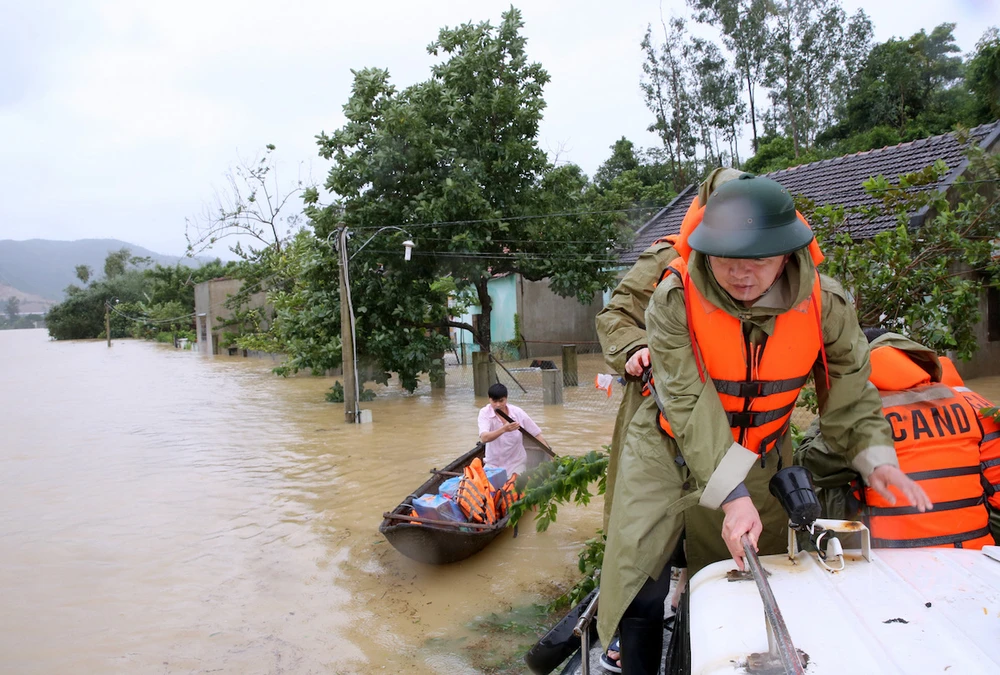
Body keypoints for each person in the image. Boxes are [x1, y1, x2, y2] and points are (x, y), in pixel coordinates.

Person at [597, 174, 932, 675]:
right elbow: (687, 404)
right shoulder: (673, 294)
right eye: (728, 259)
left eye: (759, 260)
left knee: (745, 571)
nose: (742, 274)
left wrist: (875, 457)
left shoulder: (825, 302)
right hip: (665, 444)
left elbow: (849, 389)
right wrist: (730, 496)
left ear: (788, 252)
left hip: (757, 447)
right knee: (636, 581)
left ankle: (709, 657)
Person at [595, 167, 741, 674]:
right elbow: (614, 316)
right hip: (657, 427)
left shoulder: (771, 266)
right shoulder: (665, 259)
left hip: (734, 434)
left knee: (720, 566)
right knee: (642, 579)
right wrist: (635, 349)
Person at [796, 328, 1000, 547]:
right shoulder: (972, 403)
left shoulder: (864, 417)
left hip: (895, 560)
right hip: (973, 553)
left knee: (816, 483)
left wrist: (835, 409)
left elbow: (808, 463)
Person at [477, 383, 548, 476]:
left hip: (516, 464)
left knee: (514, 488)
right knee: (484, 488)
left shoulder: (517, 412)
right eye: (494, 401)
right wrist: (504, 429)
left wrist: (551, 455)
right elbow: (484, 438)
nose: (498, 405)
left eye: (501, 401)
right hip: (492, 464)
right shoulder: (484, 413)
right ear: (489, 399)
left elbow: (536, 434)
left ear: (506, 398)